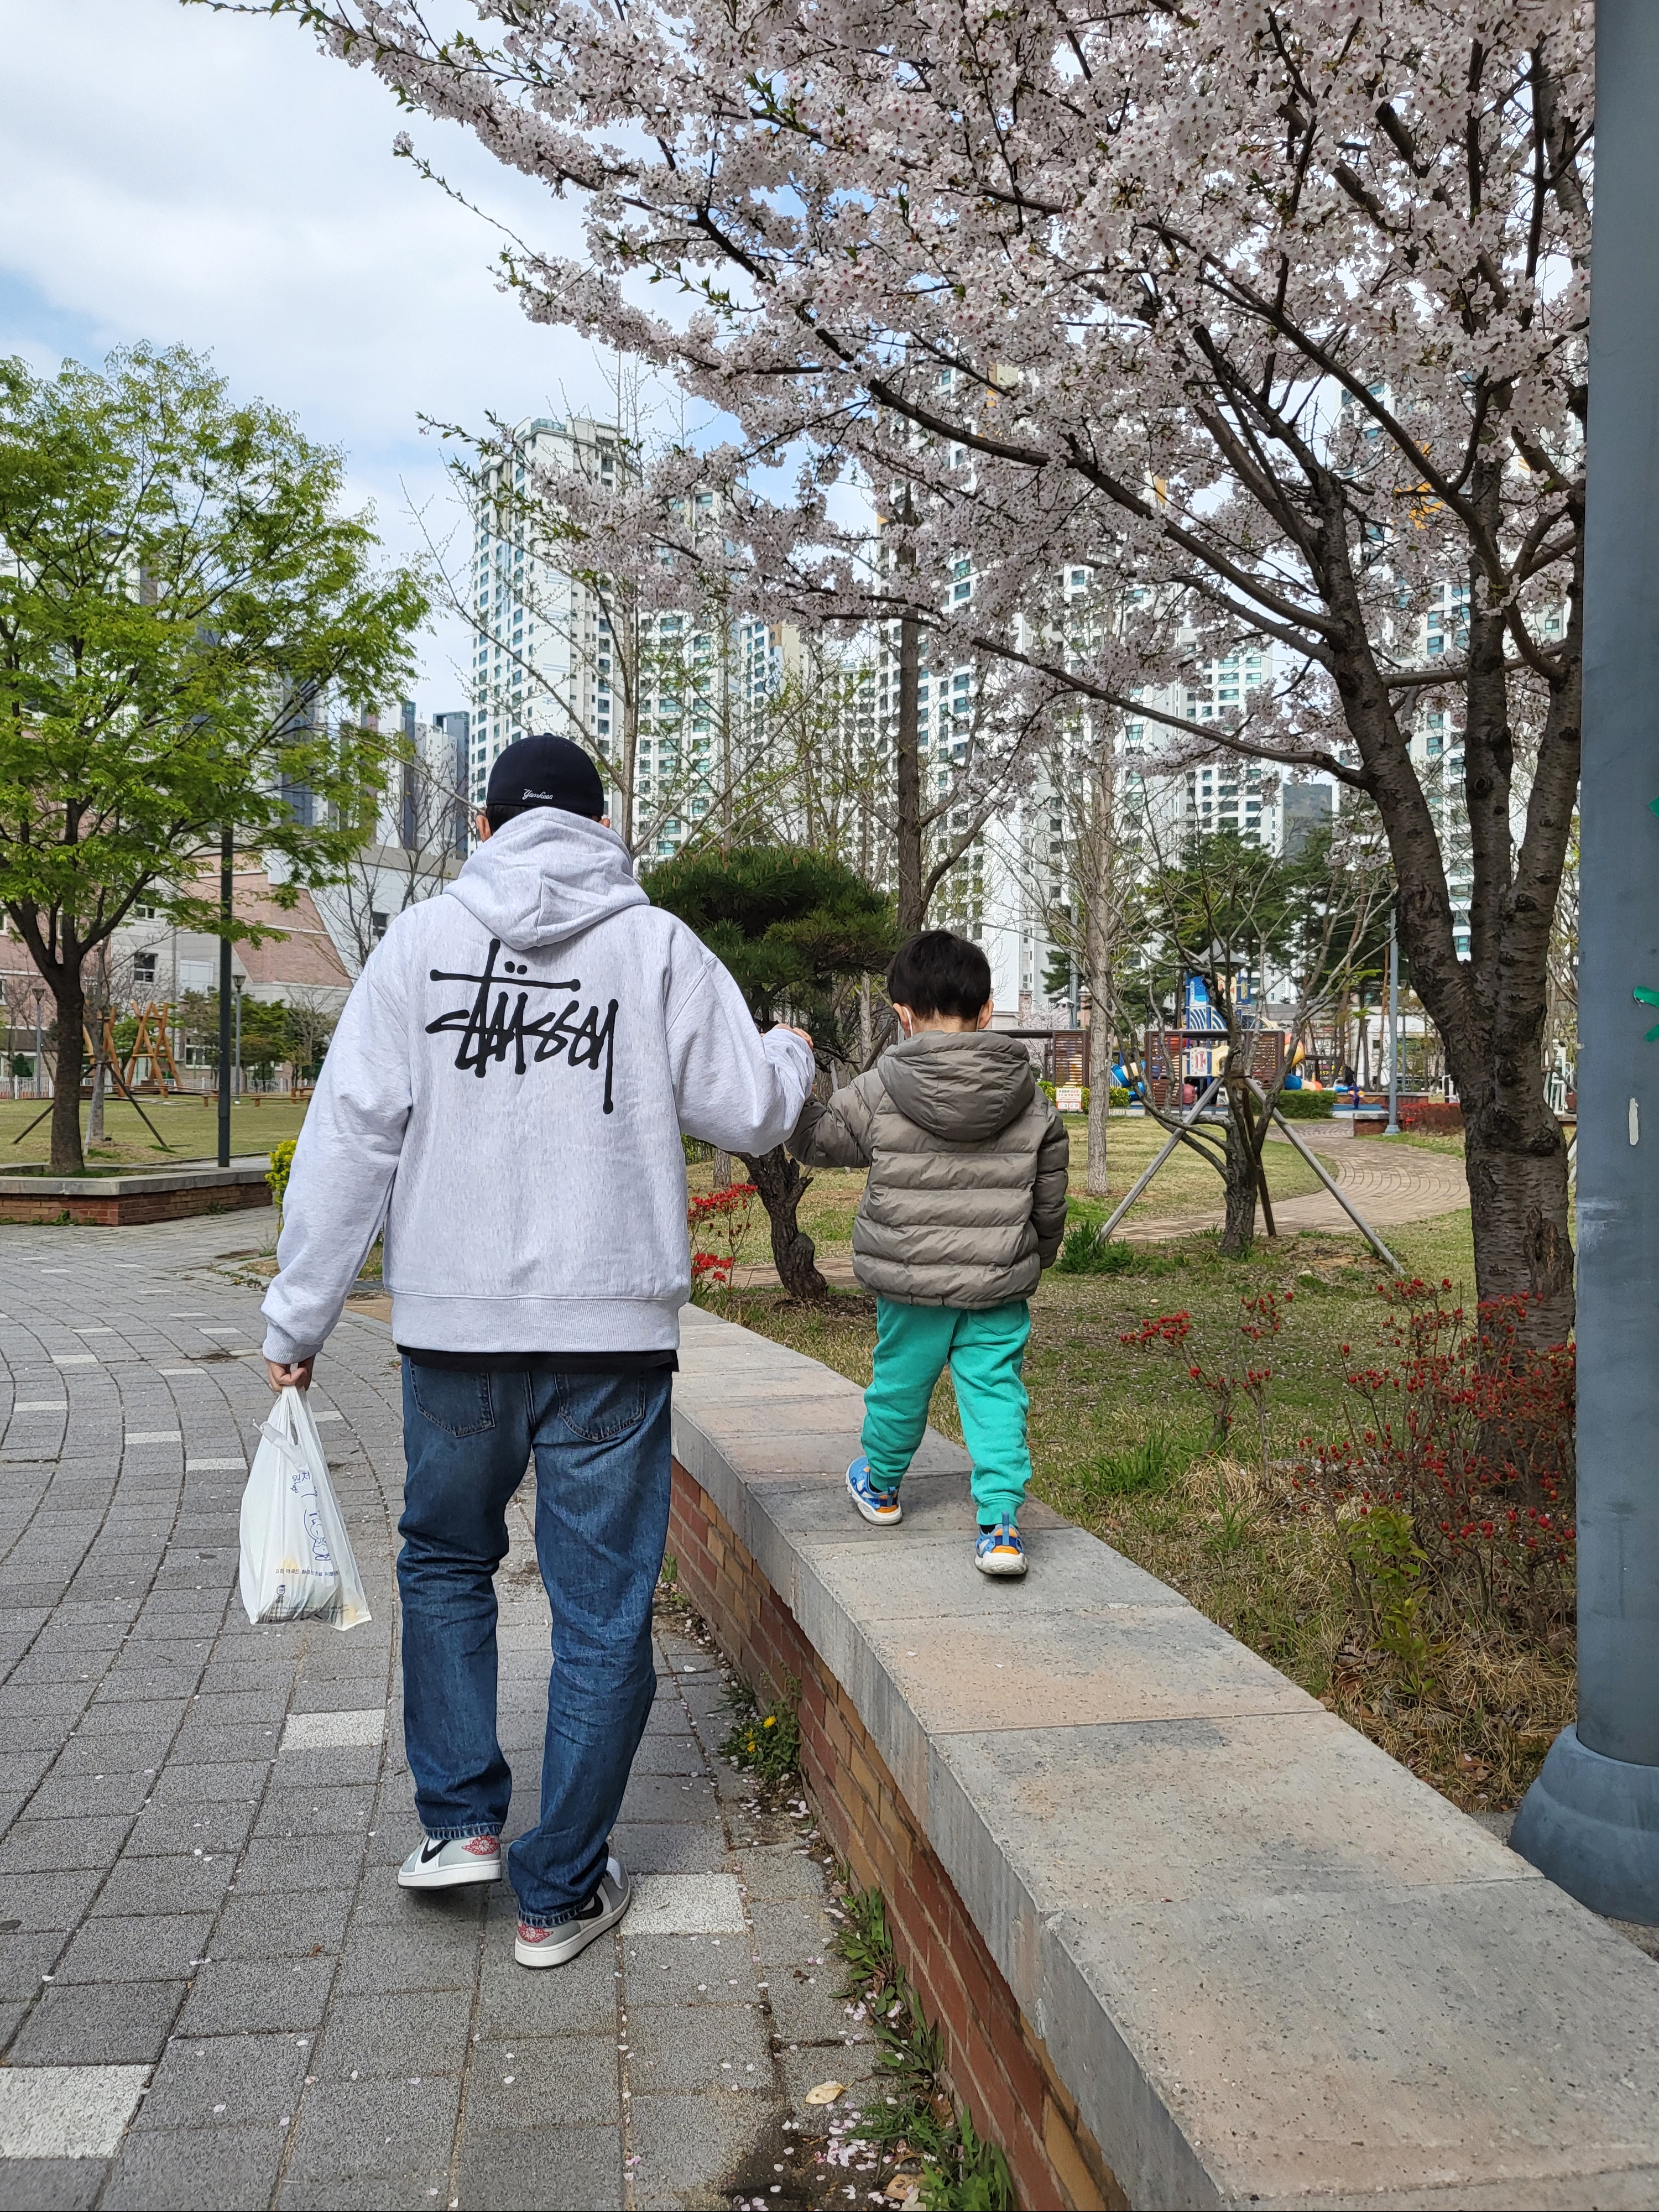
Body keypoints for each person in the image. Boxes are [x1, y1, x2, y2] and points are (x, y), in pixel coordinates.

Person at [260, 734, 813, 1967]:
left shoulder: (419, 943)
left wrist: (298, 1321)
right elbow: (749, 1108)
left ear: (487, 828)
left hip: (454, 1335)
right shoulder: (655, 944)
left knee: (446, 1562)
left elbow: (350, 1137)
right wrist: (790, 1049)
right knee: (601, 1608)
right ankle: (557, 1892)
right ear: (603, 826)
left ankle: (462, 1823)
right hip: (611, 1335)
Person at [787, 930, 1068, 1577]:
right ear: (987, 1010)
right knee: (996, 1394)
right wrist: (1039, 1254)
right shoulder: (1031, 1098)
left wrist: (790, 1077)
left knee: (900, 1385)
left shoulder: (880, 1090)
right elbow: (1049, 1198)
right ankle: (1001, 1524)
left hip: (910, 1282)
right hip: (997, 1282)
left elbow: (818, 1141)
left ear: (902, 1015)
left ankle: (883, 1486)